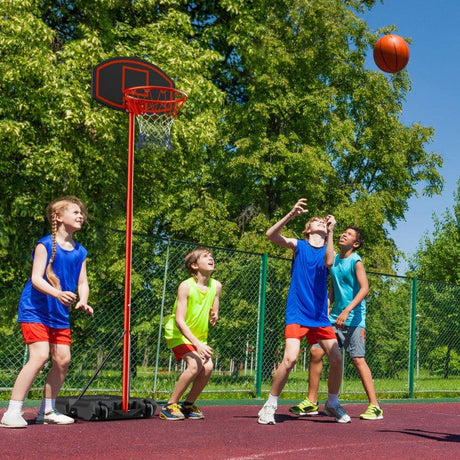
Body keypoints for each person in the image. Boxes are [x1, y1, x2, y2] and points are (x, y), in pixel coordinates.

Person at [1, 196, 93, 429]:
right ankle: (12, 412)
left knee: (63, 360)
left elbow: (82, 282)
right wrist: (57, 293)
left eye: (81, 212)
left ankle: (47, 411)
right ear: (58, 217)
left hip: (59, 314)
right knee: (40, 356)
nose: (80, 215)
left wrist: (83, 300)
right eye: (75, 211)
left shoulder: (80, 251)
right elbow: (35, 278)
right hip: (36, 310)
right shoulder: (45, 245)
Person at [258, 198, 351, 425]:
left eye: (323, 221)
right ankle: (269, 405)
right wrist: (291, 213)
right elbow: (270, 235)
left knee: (337, 358)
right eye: (315, 221)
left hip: (319, 317)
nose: (320, 221)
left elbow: (329, 261)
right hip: (298, 313)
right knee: (289, 360)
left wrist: (331, 232)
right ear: (307, 230)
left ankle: (331, 403)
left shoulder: (330, 250)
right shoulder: (298, 245)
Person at [289, 226, 383, 420]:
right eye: (343, 232)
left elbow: (365, 288)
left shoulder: (356, 261)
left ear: (355, 243)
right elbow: (334, 287)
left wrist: (347, 310)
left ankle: (375, 406)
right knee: (316, 351)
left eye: (348, 234)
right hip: (333, 318)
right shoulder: (334, 260)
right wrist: (327, 305)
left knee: (357, 360)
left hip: (354, 319)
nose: (343, 235)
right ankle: (312, 401)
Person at [160, 248, 222, 421]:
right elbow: (179, 321)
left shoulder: (216, 286)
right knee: (195, 365)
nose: (211, 258)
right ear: (194, 265)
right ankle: (170, 405)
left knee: (208, 367)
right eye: (205, 257)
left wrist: (214, 315)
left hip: (198, 336)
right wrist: (198, 344)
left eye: (212, 256)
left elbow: (214, 307)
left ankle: (187, 405)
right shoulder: (186, 286)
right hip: (178, 333)